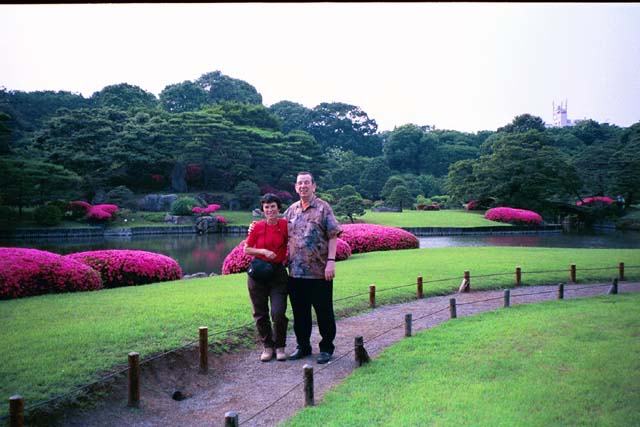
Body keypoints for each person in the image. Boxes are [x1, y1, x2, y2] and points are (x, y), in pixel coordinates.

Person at [285, 171, 342, 364]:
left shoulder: (323, 208)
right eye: (300, 183)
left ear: (314, 186)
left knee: (324, 311)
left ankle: (326, 348)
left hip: (319, 272)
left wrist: (331, 262)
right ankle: (303, 346)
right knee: (300, 313)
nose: (303, 186)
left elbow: (333, 235)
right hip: (295, 272)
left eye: (307, 183)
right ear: (295, 187)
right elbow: (279, 232)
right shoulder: (291, 210)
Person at [244, 193, 289, 362]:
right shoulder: (256, 227)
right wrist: (262, 251)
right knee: (260, 312)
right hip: (258, 273)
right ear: (263, 209)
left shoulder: (285, 225)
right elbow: (247, 249)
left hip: (277, 274)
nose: (270, 210)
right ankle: (268, 346)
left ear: (278, 208)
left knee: (278, 312)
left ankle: (280, 346)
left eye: (273, 206)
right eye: (266, 207)